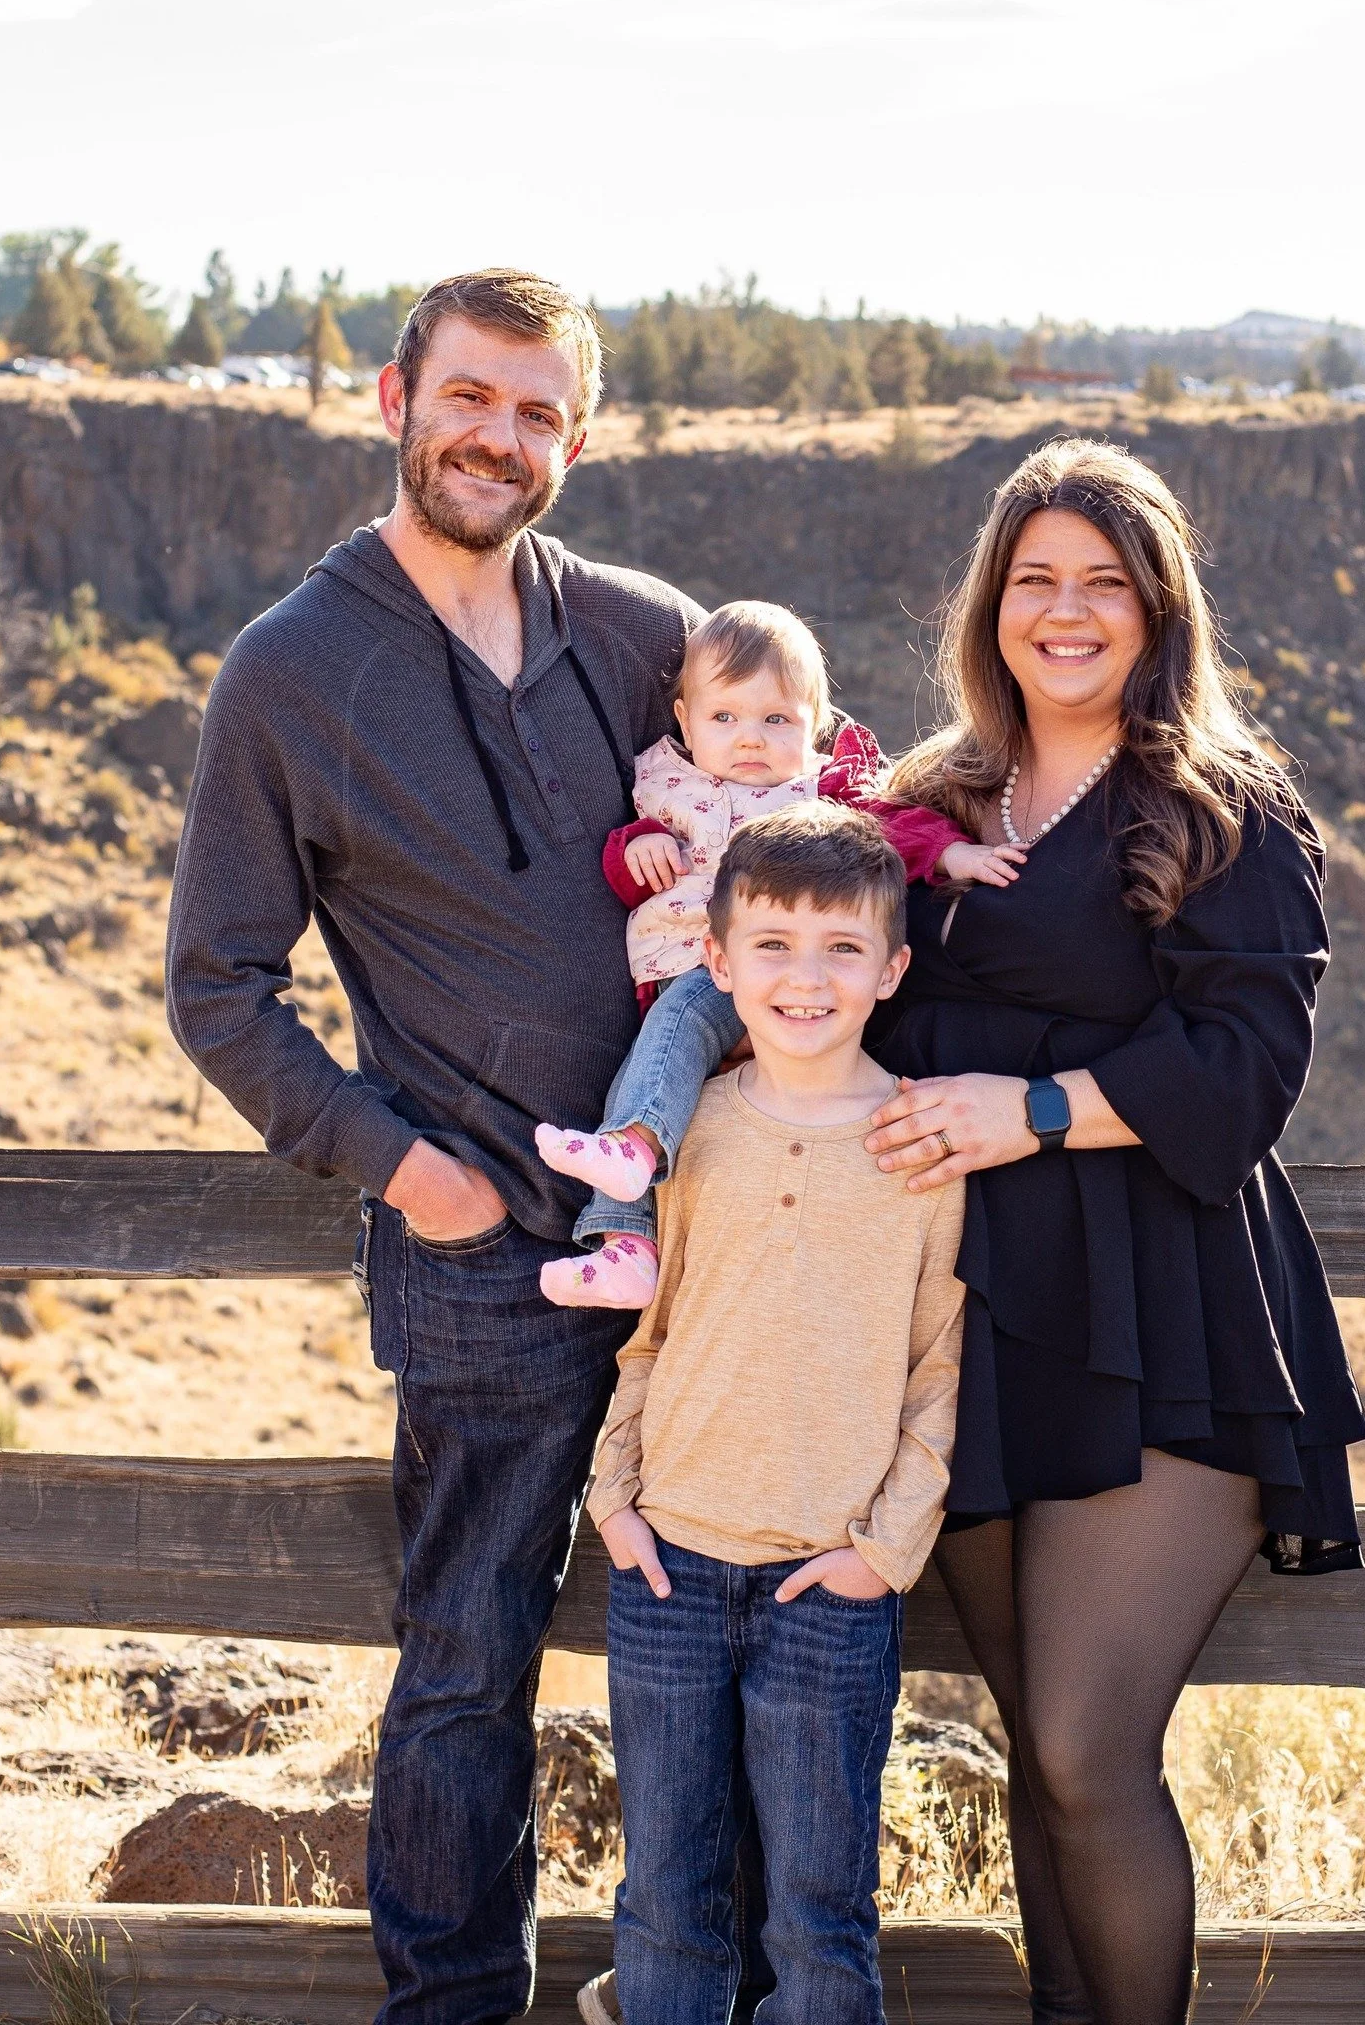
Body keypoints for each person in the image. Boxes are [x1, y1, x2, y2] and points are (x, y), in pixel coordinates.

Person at [164, 269, 706, 2025]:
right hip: (481, 1268)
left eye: (540, 411)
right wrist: (404, 1167)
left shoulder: (639, 634)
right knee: (470, 1667)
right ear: (394, 397)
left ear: (580, 435)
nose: (500, 437)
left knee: (715, 1648)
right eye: (472, 397)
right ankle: (455, 2004)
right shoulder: (293, 669)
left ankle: (717, 1984)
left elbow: (788, 835)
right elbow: (217, 987)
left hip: (705, 1253)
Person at [862, 437, 1365, 2024]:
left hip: (1168, 1321)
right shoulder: (925, 806)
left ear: (1159, 610)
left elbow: (1246, 1070)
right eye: (1036, 582)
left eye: (1104, 583)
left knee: (1089, 1748)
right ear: (990, 607)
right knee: (1036, 1749)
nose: (1066, 612)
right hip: (977, 1320)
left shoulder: (1227, 811)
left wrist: (1033, 1110)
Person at [578, 804, 967, 2025]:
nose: (805, 977)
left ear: (891, 967)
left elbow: (938, 1360)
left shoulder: (920, 1145)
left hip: (826, 1584)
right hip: (668, 1570)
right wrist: (614, 1497)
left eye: (841, 948)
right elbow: (646, 1327)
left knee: (816, 1911)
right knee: (665, 1900)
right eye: (774, 944)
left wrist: (883, 1548)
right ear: (717, 959)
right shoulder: (686, 1136)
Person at [533, 599, 1021, 1309]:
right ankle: (627, 1247)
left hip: (751, 981)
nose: (750, 739)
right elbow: (620, 871)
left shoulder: (821, 792)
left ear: (815, 725)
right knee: (648, 1074)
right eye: (725, 718)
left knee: (670, 1047)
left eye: (777, 720)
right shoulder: (661, 785)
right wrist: (637, 846)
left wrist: (954, 852)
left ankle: (632, 1151)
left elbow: (898, 830)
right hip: (677, 973)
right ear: (685, 718)